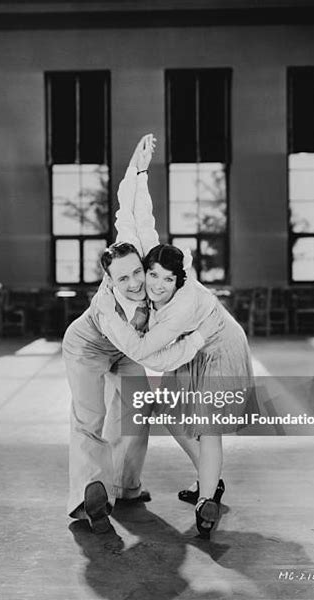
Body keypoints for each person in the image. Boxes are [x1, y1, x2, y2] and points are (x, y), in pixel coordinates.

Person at [97, 135, 255, 538]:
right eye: (151, 275)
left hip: (216, 345)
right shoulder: (150, 260)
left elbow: (159, 357)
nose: (154, 284)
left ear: (179, 279)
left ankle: (207, 499)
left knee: (208, 425)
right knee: (168, 410)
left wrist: (192, 336)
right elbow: (134, 216)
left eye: (167, 279)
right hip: (191, 346)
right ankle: (208, 480)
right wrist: (139, 170)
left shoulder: (178, 304)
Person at [63, 135, 216, 534]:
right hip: (90, 346)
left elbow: (132, 214)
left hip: (131, 350)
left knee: (134, 413)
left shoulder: (141, 260)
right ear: (108, 279)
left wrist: (139, 170)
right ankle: (88, 496)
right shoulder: (106, 308)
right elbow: (149, 353)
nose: (135, 284)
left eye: (137, 273)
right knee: (90, 418)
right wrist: (194, 342)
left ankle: (126, 488)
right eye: (123, 278)